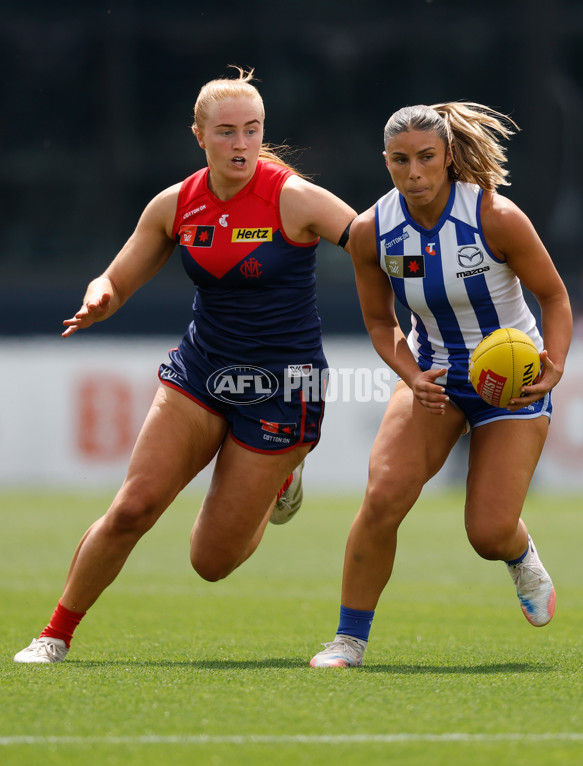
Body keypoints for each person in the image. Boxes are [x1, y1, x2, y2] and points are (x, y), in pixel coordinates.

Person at [14, 67, 356, 664]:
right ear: (199, 135)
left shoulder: (294, 197)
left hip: (281, 389)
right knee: (133, 507)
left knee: (210, 563)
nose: (242, 144)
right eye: (226, 132)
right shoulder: (176, 204)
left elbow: (374, 247)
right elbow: (117, 277)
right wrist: (101, 296)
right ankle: (54, 634)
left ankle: (280, 478)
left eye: (252, 131)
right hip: (200, 372)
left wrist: (404, 322)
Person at [309, 102, 572, 668]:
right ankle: (348, 640)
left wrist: (554, 365)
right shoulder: (370, 231)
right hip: (432, 378)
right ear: (386, 162)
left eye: (427, 158)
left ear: (449, 156)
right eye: (400, 161)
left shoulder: (497, 216)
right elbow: (382, 324)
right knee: (382, 497)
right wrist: (411, 376)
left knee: (487, 534)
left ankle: (520, 553)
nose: (415, 173)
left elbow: (554, 297)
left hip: (511, 385)